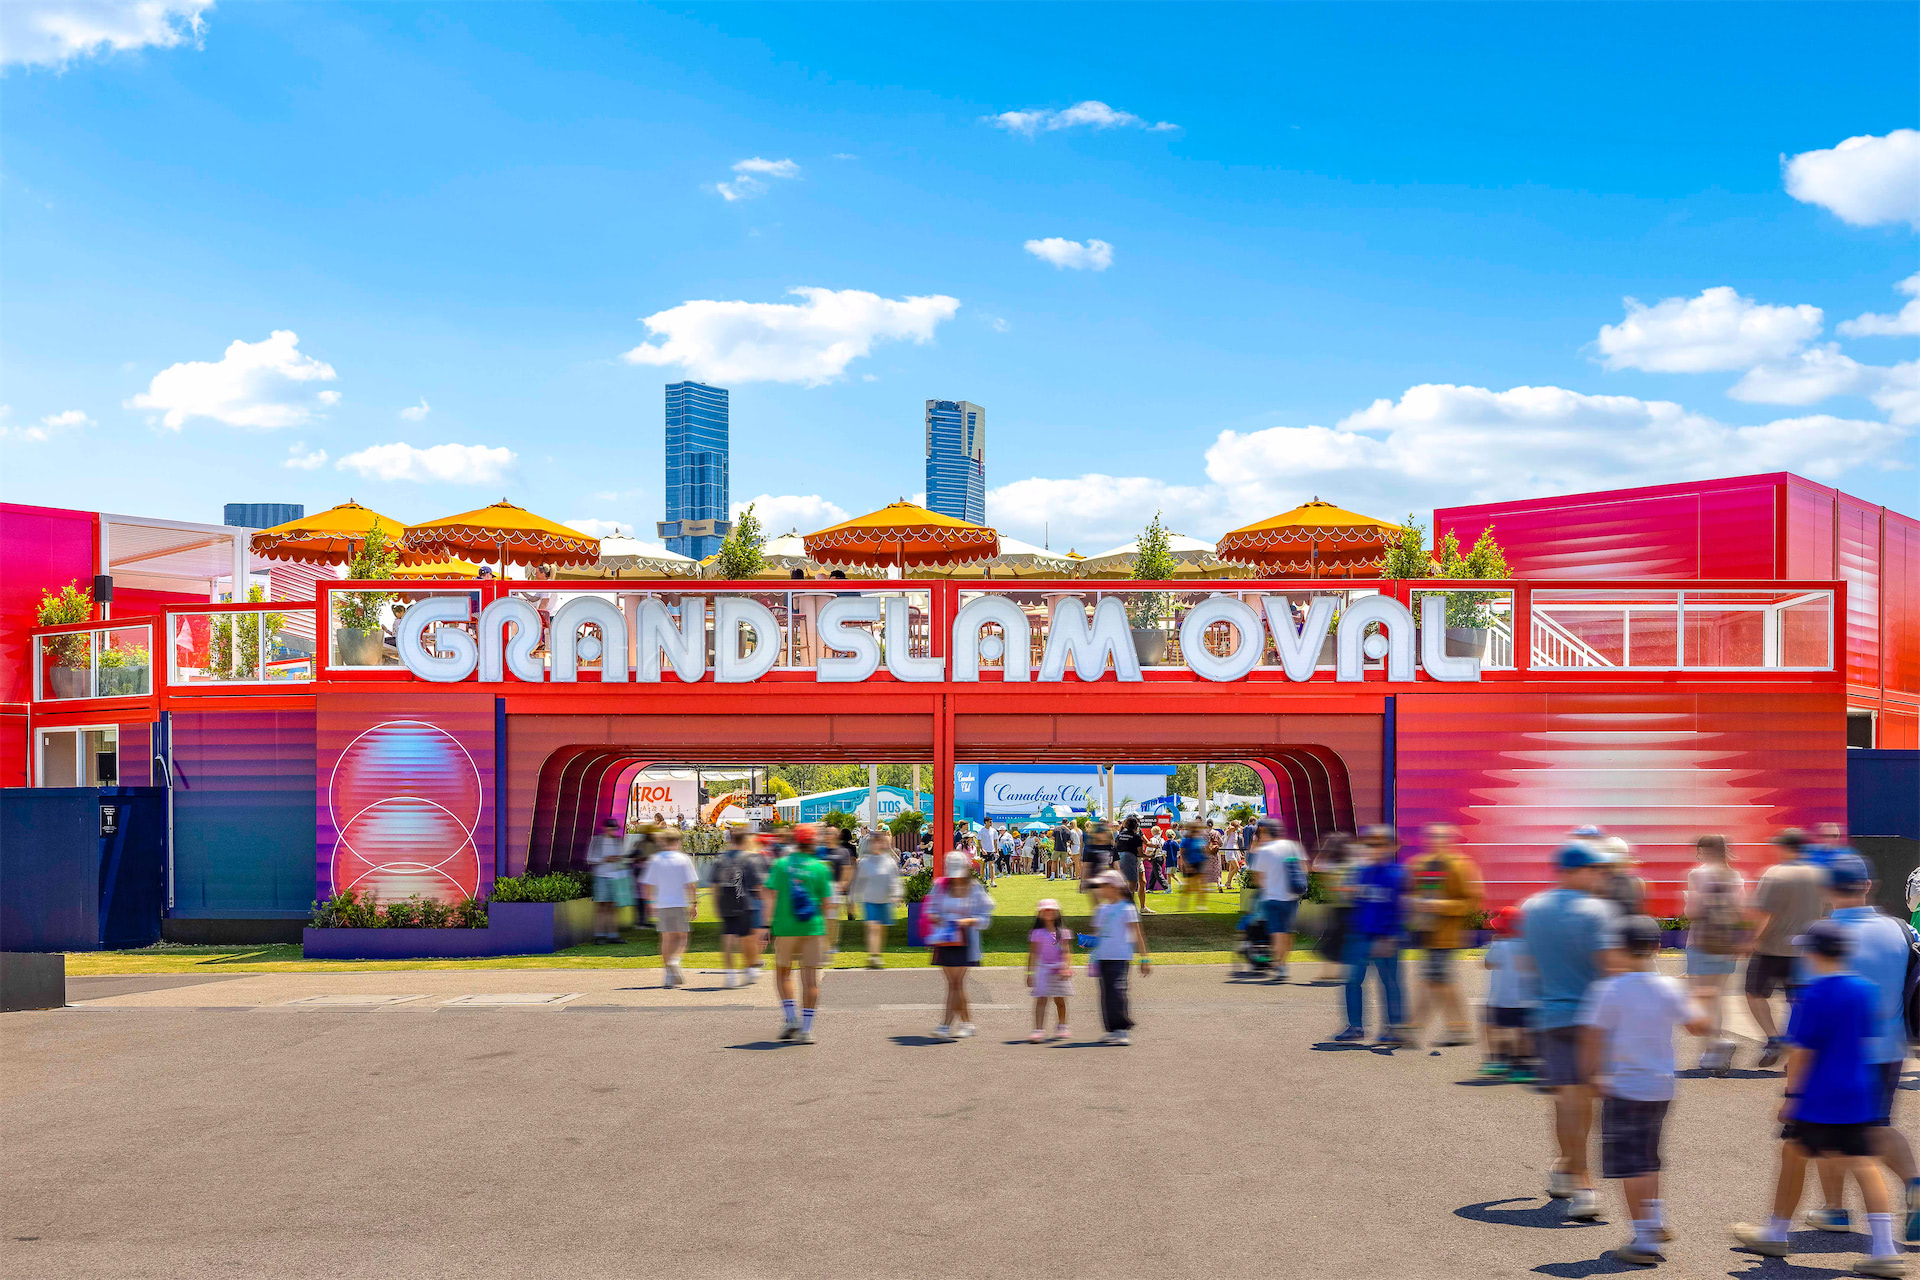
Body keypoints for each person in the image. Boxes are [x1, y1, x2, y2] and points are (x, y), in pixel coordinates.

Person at [1730, 920, 1907, 1277]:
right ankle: (1885, 1249)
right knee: (1864, 1164)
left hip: (1817, 1095)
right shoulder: (1864, 990)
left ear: (1815, 953)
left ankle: (1776, 1232)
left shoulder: (1810, 994)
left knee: (1793, 1154)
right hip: (1858, 1091)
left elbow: (1801, 1053)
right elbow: (1866, 1040)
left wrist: (1791, 1095)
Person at [1579, 914, 1712, 1267]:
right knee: (1649, 1158)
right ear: (1655, 947)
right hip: (1660, 1087)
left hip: (1623, 1087)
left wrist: (1592, 1074)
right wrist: (1700, 997)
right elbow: (1699, 1026)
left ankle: (1643, 1238)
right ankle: (1655, 1219)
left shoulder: (1608, 989)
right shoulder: (1669, 987)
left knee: (1631, 1165)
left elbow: (1592, 1036)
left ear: (1619, 950)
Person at [1805, 852, 1920, 1243]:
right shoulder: (1900, 929)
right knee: (1878, 1125)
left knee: (1830, 1128)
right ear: (1868, 886)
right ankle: (1914, 1185)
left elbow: (1811, 1002)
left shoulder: (1822, 936)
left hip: (1838, 1052)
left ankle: (1835, 1208)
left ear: (1825, 890)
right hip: (1890, 1045)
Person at [1523, 841, 1622, 1224]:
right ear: (1575, 870)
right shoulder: (1598, 911)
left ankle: (1566, 1169)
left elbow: (1528, 963)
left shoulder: (1535, 908)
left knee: (1566, 1102)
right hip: (1591, 1021)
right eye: (1596, 869)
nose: (1602, 876)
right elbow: (1610, 966)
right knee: (1584, 1105)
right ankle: (1582, 1184)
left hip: (1550, 1015)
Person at [1747, 828, 1830, 1068]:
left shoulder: (1774, 873)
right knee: (1797, 1001)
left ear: (1784, 847)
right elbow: (1825, 915)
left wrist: (1751, 940)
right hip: (1805, 951)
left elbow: (1763, 913)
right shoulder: (1819, 875)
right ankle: (1796, 1049)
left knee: (1754, 994)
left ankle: (1774, 1038)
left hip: (1770, 947)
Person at [1406, 822, 1484, 1048]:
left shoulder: (1461, 866)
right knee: (1437, 981)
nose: (1434, 842)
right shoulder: (1422, 864)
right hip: (1427, 933)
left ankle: (1416, 1027)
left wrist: (1442, 905)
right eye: (1430, 837)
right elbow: (1413, 892)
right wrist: (1414, 903)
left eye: (1439, 838)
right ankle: (1457, 1028)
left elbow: (1471, 901)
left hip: (1447, 936)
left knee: (1435, 981)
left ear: (1450, 841)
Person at [763, 824, 834, 1044]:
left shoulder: (781, 864)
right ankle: (806, 1029)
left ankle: (791, 1017)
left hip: (785, 928)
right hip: (812, 928)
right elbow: (827, 904)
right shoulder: (821, 868)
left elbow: (770, 896)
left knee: (783, 973)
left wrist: (766, 926)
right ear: (813, 843)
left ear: (795, 841)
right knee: (810, 979)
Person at [1684, 834, 1748, 1073]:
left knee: (1702, 998)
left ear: (1704, 850)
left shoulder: (1697, 874)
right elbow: (1742, 911)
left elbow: (1692, 911)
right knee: (1715, 997)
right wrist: (1741, 941)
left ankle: (1716, 1044)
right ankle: (1712, 1053)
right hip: (1726, 944)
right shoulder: (1735, 876)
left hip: (1701, 942)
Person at [925, 851, 995, 1042]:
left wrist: (967, 921)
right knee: (954, 984)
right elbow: (931, 910)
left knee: (955, 984)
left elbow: (985, 918)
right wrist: (938, 918)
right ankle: (966, 1023)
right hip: (945, 940)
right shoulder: (940, 886)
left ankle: (946, 1025)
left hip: (966, 941)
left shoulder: (975, 888)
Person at [1090, 869, 1150, 1045]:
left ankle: (1122, 1029)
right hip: (1103, 957)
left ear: (1115, 887)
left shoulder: (1127, 908)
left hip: (1119, 957)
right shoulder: (1102, 909)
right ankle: (1111, 1029)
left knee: (1117, 991)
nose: (1100, 889)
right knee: (1106, 993)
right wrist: (1092, 953)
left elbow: (1137, 935)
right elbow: (1098, 933)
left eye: (1103, 886)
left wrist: (1144, 958)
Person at [1481, 906, 1537, 1082]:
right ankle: (1522, 1066)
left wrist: (1494, 943)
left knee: (1493, 1027)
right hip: (1526, 999)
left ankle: (1498, 1059)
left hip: (1501, 999)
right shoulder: (1529, 946)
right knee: (1524, 1032)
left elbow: (1488, 964)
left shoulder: (1499, 945)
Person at [1249, 818, 1307, 983]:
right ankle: (1282, 962)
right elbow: (1303, 869)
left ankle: (1279, 964)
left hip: (1272, 897)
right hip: (1291, 896)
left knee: (1277, 932)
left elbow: (1258, 878)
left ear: (1266, 832)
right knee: (1288, 932)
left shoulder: (1265, 851)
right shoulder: (1292, 846)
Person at [641, 830, 699, 988]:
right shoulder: (683, 859)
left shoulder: (655, 859)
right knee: (682, 937)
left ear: (662, 842)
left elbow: (647, 884)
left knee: (666, 938)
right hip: (679, 903)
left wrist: (649, 903)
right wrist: (693, 903)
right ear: (677, 842)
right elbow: (691, 884)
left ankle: (668, 972)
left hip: (662, 903)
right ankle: (676, 960)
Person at [711, 828, 766, 987]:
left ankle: (730, 973)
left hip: (727, 902)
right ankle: (750, 968)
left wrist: (717, 904)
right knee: (747, 938)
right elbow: (758, 884)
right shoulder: (749, 859)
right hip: (745, 902)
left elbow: (715, 886)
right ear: (745, 840)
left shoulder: (720, 860)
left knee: (728, 939)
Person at [852, 830, 902, 970]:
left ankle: (877, 953)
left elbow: (894, 880)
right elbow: (858, 882)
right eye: (874, 842)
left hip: (884, 900)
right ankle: (873, 956)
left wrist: (896, 895)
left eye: (879, 842)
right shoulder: (865, 862)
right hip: (869, 899)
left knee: (880, 929)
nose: (876, 845)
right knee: (873, 927)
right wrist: (854, 899)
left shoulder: (889, 862)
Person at [1026, 898, 1074, 1042]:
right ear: (1040, 914)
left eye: (1051, 910)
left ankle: (1062, 1026)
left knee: (1060, 1000)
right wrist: (1030, 973)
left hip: (1058, 971)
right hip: (1043, 970)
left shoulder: (1063, 933)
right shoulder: (1037, 933)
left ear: (1057, 913)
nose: (1048, 913)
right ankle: (1038, 1029)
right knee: (1041, 1000)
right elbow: (1033, 954)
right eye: (1045, 910)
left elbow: (1066, 951)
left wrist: (1066, 967)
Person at [1315, 835, 1354, 983]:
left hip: (1335, 908)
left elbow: (1315, 866)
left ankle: (1329, 971)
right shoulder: (1352, 864)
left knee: (1332, 939)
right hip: (1351, 908)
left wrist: (1324, 851)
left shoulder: (1330, 865)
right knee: (1345, 939)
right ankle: (1343, 970)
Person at [586, 818, 632, 943]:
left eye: (615, 829)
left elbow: (623, 857)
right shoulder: (597, 841)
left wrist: (618, 858)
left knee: (611, 906)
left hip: (615, 877)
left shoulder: (618, 841)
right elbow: (589, 858)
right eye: (611, 828)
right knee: (602, 906)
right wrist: (604, 859)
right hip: (601, 876)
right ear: (606, 828)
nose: (613, 831)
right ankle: (600, 934)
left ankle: (613, 934)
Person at [819, 826, 857, 959]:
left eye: (832, 833)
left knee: (831, 919)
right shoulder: (819, 851)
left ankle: (831, 944)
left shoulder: (843, 852)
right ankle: (822, 946)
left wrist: (843, 883)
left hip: (834, 888)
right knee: (821, 919)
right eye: (827, 833)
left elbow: (847, 869)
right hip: (820, 888)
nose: (829, 835)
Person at [1113, 815, 1147, 913]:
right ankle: (1128, 909)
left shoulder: (1120, 835)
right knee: (1131, 885)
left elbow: (1115, 847)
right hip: (1130, 858)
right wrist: (1149, 856)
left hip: (1118, 859)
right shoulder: (1136, 836)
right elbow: (1140, 853)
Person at [1176, 818, 1211, 912]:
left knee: (1203, 886)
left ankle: (1201, 905)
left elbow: (1204, 850)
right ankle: (1183, 906)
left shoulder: (1199, 839)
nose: (1197, 829)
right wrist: (1187, 866)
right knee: (1188, 888)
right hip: (1190, 865)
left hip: (1200, 864)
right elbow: (1183, 854)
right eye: (1194, 827)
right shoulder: (1186, 840)